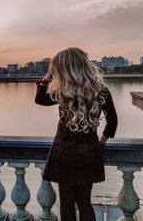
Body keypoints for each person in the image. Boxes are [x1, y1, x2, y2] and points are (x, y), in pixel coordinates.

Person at [35, 47, 118, 221]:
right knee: (84, 203)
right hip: (89, 152)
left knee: (66, 203)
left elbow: (39, 99)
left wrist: (47, 78)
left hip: (64, 152)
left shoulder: (63, 92)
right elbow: (112, 123)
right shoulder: (100, 90)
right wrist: (101, 143)